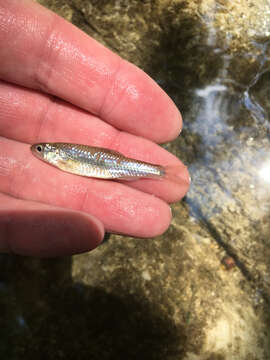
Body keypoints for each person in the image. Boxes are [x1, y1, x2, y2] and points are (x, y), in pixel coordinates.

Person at [0, 0, 189, 256]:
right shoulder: (61, 156)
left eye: (42, 150)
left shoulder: (62, 156)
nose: (40, 152)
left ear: (55, 153)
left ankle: (161, 173)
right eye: (42, 149)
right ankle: (161, 173)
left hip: (112, 166)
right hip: (111, 166)